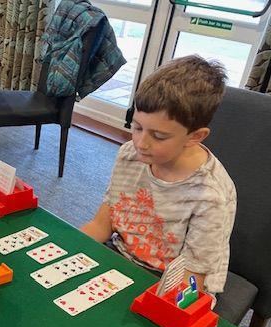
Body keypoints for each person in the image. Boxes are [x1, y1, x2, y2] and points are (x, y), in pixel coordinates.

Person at [81, 55, 236, 295]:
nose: (141, 143)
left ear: (195, 136)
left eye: (159, 136)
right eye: (137, 127)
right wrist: (68, 247)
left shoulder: (210, 195)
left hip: (175, 283)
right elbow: (102, 224)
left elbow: (193, 277)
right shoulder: (129, 155)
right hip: (121, 258)